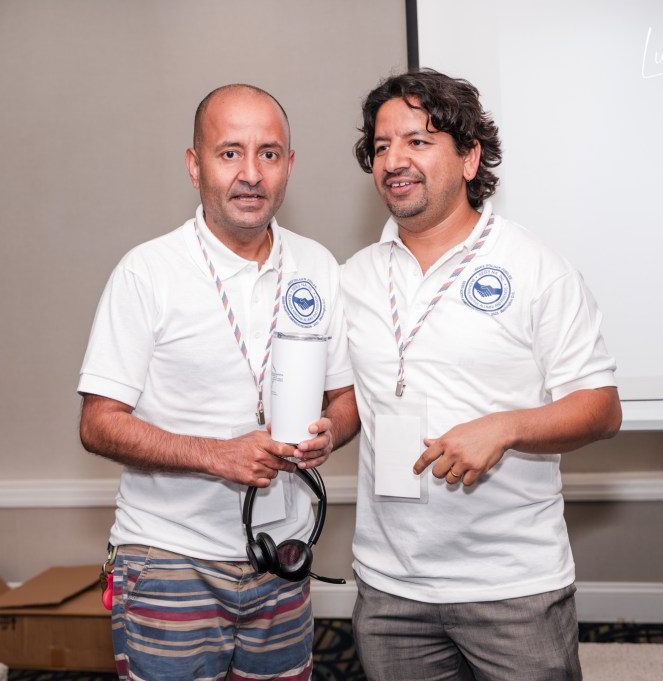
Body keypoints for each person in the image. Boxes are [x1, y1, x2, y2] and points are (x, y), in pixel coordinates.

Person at [342, 69, 622, 681]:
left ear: (470, 157)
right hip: (390, 588)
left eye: (418, 141)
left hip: (513, 587)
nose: (394, 160)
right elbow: (346, 398)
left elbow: (601, 407)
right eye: (382, 146)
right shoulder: (354, 278)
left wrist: (505, 428)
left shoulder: (536, 268)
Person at [78, 84, 359, 681]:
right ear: (194, 165)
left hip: (282, 557)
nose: (251, 174)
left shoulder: (318, 267)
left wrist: (331, 432)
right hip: (170, 558)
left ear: (289, 165)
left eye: (269, 154)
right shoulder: (147, 272)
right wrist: (216, 455)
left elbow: (346, 398)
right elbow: (98, 424)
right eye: (230, 153)